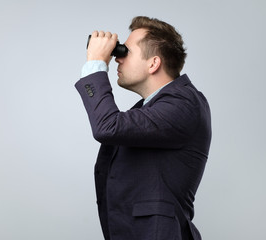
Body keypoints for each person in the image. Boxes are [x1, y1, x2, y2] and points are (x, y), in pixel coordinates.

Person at [75, 16, 211, 240]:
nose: (117, 59)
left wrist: (95, 65)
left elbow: (107, 126)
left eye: (124, 51)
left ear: (153, 63)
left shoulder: (185, 103)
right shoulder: (150, 109)